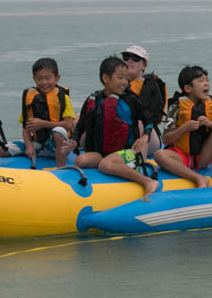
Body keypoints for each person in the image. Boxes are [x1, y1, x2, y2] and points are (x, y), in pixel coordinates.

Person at [64, 56, 159, 200]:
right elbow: (81, 125)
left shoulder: (130, 100)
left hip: (128, 154)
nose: (124, 82)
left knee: (105, 164)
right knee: (80, 161)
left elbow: (149, 120)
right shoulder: (93, 99)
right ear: (105, 78)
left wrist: (145, 136)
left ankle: (148, 181)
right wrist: (74, 141)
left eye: (126, 78)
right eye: (120, 78)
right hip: (101, 152)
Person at [155, 66, 212, 189]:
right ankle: (197, 177)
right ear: (188, 88)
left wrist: (210, 124)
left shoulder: (210, 105)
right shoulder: (176, 107)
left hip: (203, 156)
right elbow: (166, 140)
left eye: (207, 80)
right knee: (159, 155)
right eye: (201, 81)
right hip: (180, 156)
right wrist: (184, 128)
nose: (206, 84)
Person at [18, 57, 75, 167]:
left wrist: (42, 124)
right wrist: (29, 145)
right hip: (39, 144)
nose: (44, 82)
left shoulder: (63, 98)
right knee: (4, 151)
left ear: (57, 78)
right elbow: (26, 127)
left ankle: (61, 168)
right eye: (39, 79)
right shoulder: (30, 98)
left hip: (58, 145)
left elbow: (68, 125)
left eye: (48, 78)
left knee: (58, 132)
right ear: (34, 79)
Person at [122, 45, 166, 157]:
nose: (130, 61)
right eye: (126, 57)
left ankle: (139, 163)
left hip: (148, 135)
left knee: (139, 122)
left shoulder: (150, 85)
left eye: (135, 59)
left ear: (144, 65)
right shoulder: (117, 84)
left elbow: (150, 117)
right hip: (123, 132)